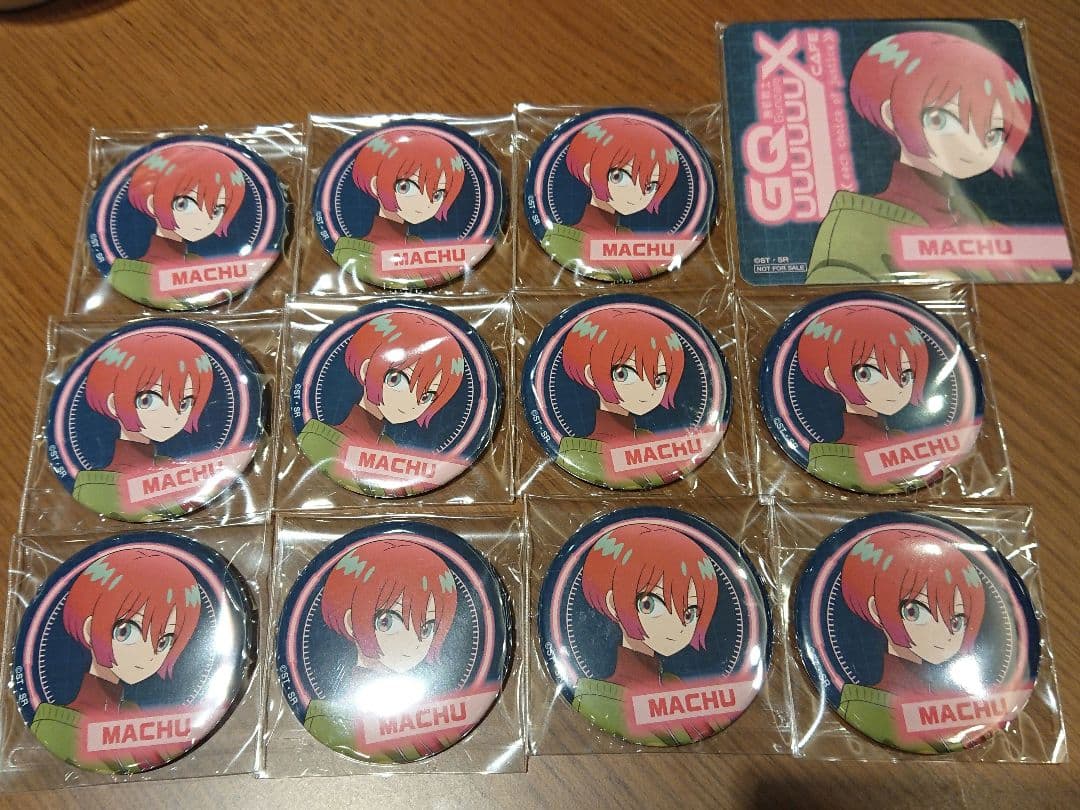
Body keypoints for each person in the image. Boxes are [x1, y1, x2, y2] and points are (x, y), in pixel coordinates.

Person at [804, 31, 1055, 283]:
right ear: (891, 115)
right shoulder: (854, 229)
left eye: (992, 134)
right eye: (942, 120)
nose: (972, 146)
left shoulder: (988, 230)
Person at [30, 547, 202, 772]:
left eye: (163, 641)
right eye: (126, 631)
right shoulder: (59, 726)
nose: (148, 656)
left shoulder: (133, 714)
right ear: (90, 630)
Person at [303, 539, 458, 761]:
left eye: (426, 628)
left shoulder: (435, 713)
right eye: (388, 622)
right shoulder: (325, 718)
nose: (413, 642)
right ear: (351, 623)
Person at [838, 528, 986, 752]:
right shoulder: (867, 704)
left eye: (956, 621)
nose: (943, 634)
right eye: (915, 612)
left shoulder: (954, 700)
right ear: (876, 611)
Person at [572, 522, 720, 745]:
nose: (678, 626)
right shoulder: (597, 698)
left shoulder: (671, 684)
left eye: (689, 613)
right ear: (613, 604)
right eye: (651, 604)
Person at [297, 311, 465, 494]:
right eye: (397, 380)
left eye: (427, 396)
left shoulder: (388, 446)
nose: (411, 403)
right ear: (366, 371)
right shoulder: (319, 441)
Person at [72, 332, 215, 520]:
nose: (172, 416)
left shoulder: (171, 468)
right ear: (114, 405)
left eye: (184, 403)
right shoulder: (95, 487)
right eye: (148, 400)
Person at [796, 304, 929, 492]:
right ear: (832, 378)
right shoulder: (831, 458)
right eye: (867, 374)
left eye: (905, 376)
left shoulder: (901, 441)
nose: (895, 389)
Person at [555, 306, 685, 488]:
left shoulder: (646, 440)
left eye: (659, 379)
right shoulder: (577, 452)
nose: (648, 391)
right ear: (591, 376)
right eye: (624, 374)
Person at [542, 115, 680, 280]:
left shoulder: (625, 237)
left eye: (650, 186)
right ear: (588, 173)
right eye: (619, 177)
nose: (637, 195)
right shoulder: (562, 241)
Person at [109, 144, 247, 303]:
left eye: (216, 210)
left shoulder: (197, 264)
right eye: (184, 204)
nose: (204, 220)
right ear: (153, 205)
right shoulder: (129, 274)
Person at [332, 129, 467, 286]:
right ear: (376, 186)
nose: (425, 204)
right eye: (406, 187)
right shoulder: (351, 253)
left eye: (437, 194)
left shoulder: (416, 246)